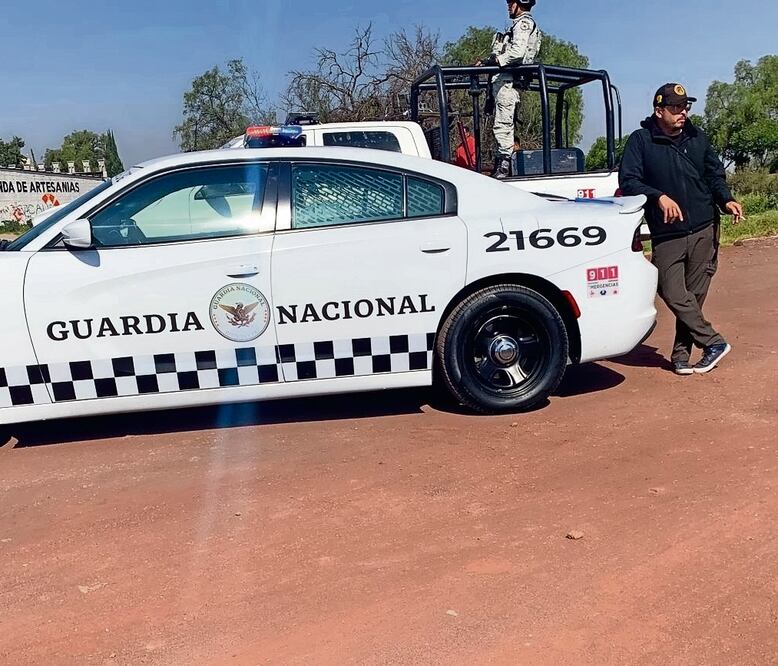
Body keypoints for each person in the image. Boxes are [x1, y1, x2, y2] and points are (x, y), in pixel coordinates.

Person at [619, 83, 744, 375]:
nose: (682, 113)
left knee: (694, 296)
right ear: (658, 110)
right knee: (671, 290)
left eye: (685, 107)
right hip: (668, 234)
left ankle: (680, 355)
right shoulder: (641, 141)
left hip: (703, 228)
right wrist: (658, 196)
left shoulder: (697, 138)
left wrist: (726, 200)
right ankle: (713, 342)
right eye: (675, 108)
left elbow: (714, 175)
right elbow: (629, 181)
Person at [477, 0, 542, 179]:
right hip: (503, 82)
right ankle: (501, 164)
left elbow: (517, 53)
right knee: (502, 124)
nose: (508, 6)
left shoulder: (523, 24)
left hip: (508, 82)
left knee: (502, 126)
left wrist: (495, 61)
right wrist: (488, 60)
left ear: (519, 3)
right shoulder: (516, 26)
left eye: (510, 2)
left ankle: (504, 168)